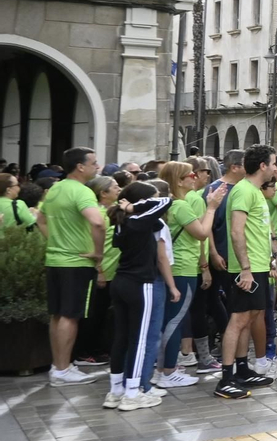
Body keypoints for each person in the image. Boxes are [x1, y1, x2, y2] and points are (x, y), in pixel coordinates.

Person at [101, 182, 178, 411]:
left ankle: (116, 391)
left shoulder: (121, 223)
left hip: (121, 282)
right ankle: (133, 393)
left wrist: (129, 208)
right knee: (140, 340)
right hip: (140, 284)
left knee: (122, 338)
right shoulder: (137, 219)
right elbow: (165, 201)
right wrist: (133, 207)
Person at [36, 147, 108, 386]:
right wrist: (98, 253)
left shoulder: (56, 189)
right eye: (94, 163)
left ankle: (59, 366)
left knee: (58, 314)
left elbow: (40, 219)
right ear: (80, 166)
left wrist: (56, 242)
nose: (97, 167)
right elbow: (98, 222)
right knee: (70, 315)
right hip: (76, 262)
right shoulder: (82, 191)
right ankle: (63, 370)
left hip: (56, 259)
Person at [214, 145, 277, 399]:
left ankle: (242, 369)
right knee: (238, 320)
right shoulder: (243, 191)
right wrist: (245, 269)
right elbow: (236, 231)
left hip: (258, 266)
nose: (275, 168)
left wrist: (271, 259)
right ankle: (226, 378)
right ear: (263, 166)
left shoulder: (254, 191)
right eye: (273, 163)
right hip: (247, 268)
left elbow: (259, 231)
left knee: (251, 317)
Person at [156, 162, 226, 388]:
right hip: (183, 267)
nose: (194, 177)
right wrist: (211, 208)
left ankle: (163, 369)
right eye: (191, 174)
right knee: (175, 321)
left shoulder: (167, 204)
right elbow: (202, 233)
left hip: (174, 266)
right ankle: (168, 371)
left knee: (170, 320)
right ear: (179, 180)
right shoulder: (181, 206)